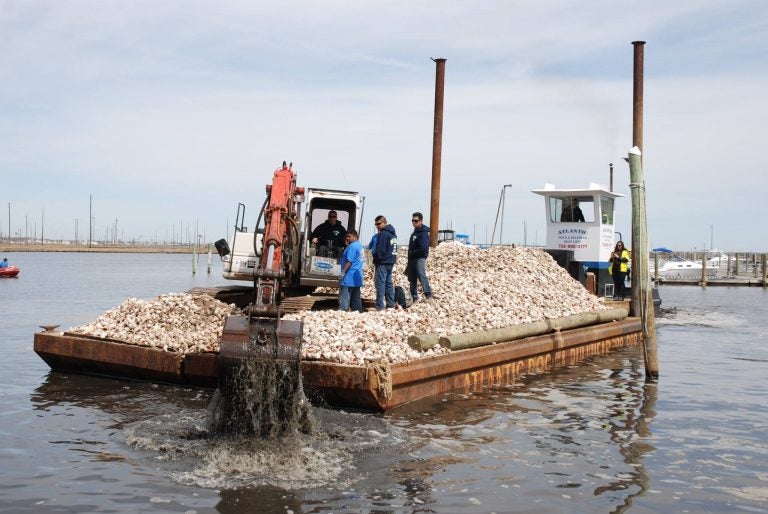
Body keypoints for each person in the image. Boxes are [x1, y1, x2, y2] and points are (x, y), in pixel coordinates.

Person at [372, 215, 397, 310]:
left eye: (379, 224)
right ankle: (391, 304)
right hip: (391, 261)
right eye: (376, 224)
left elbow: (380, 250)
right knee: (389, 283)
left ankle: (379, 305)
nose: (377, 226)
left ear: (384, 222)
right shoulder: (393, 233)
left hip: (383, 262)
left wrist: (376, 259)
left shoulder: (383, 234)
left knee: (380, 284)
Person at [407, 212, 433, 302]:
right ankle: (414, 298)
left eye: (416, 221)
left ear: (421, 221)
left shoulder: (424, 233)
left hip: (420, 258)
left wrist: (412, 252)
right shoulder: (415, 232)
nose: (414, 222)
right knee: (412, 278)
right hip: (412, 258)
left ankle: (428, 295)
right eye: (412, 221)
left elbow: (423, 248)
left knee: (421, 275)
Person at [338, 229, 364, 312]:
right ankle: (358, 311)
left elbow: (349, 261)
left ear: (355, 236)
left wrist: (343, 272)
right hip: (357, 276)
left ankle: (343, 311)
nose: (347, 238)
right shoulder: (360, 246)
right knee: (356, 297)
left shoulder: (352, 247)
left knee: (345, 295)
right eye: (346, 237)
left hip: (349, 276)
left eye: (349, 237)